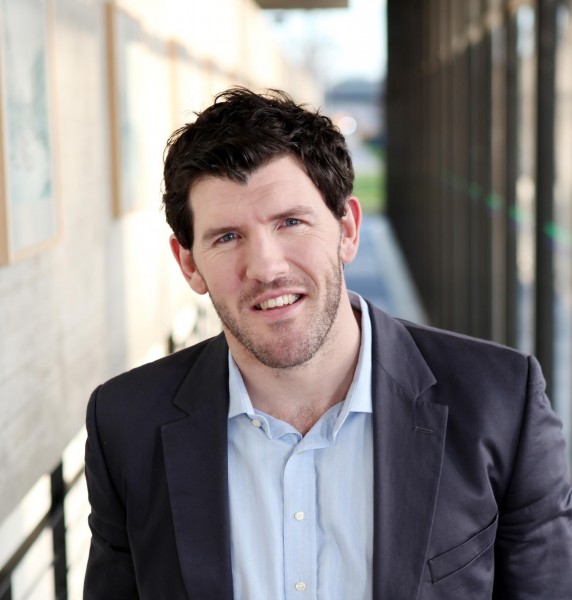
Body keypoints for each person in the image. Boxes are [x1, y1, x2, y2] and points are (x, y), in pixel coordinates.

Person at [83, 88, 572, 599]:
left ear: (347, 230)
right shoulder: (126, 426)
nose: (265, 267)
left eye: (290, 223)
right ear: (189, 264)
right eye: (227, 237)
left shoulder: (501, 402)